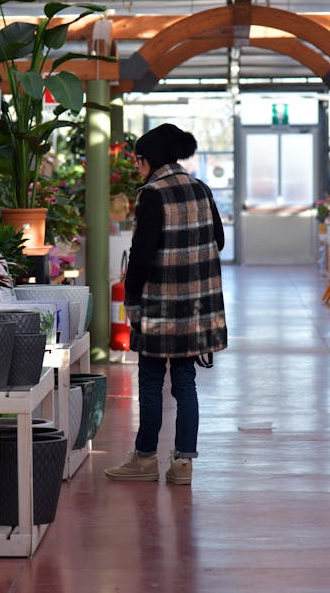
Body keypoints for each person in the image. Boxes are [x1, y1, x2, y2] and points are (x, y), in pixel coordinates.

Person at [104, 123, 227, 485]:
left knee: (152, 381)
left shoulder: (152, 194)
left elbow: (140, 258)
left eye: (138, 161)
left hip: (159, 307)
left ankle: (144, 460)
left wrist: (133, 303)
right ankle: (183, 465)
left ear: (148, 160)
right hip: (195, 308)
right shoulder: (201, 189)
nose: (137, 168)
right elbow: (218, 240)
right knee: (185, 383)